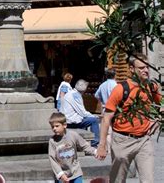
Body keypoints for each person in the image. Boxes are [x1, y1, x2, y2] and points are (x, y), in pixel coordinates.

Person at [97, 54, 162, 182]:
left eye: (147, 67)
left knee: (148, 180)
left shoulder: (151, 87)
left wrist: (158, 120)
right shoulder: (121, 89)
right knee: (118, 180)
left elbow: (161, 105)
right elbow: (106, 118)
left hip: (144, 140)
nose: (146, 70)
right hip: (122, 141)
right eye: (142, 67)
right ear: (132, 69)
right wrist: (102, 145)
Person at [48, 112, 97, 183]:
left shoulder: (73, 135)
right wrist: (60, 174)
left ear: (64, 125)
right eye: (52, 127)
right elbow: (52, 159)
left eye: (57, 126)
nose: (54, 129)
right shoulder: (52, 141)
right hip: (62, 173)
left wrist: (95, 152)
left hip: (75, 172)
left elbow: (84, 146)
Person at [62, 79, 100, 147]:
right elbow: (82, 112)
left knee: (85, 119)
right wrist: (93, 116)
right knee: (94, 120)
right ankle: (95, 143)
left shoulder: (71, 93)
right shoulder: (75, 95)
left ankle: (82, 143)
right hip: (71, 121)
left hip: (68, 120)